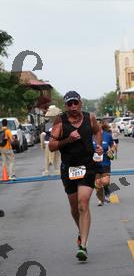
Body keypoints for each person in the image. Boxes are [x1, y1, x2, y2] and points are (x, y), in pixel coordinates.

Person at [49, 91, 102, 262]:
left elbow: (98, 131)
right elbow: (51, 146)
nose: (73, 106)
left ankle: (83, 246)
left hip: (88, 166)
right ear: (65, 106)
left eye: (75, 103)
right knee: (74, 207)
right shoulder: (60, 121)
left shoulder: (90, 117)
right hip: (69, 168)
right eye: (69, 104)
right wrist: (68, 140)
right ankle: (81, 231)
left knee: (83, 203)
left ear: (80, 103)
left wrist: (99, 146)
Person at [94, 122, 115, 206]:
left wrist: (111, 150)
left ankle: (107, 191)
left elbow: (113, 145)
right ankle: (100, 199)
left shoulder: (107, 135)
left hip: (105, 162)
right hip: (94, 163)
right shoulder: (90, 136)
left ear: (101, 126)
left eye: (98, 124)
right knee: (98, 182)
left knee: (105, 182)